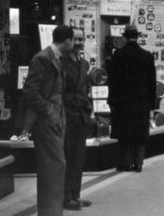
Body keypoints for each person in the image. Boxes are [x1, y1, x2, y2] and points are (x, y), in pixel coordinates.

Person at [22, 24, 74, 215]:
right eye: (74, 40)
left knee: (54, 167)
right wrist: (49, 111)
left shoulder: (57, 58)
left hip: (56, 120)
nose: (75, 44)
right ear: (67, 41)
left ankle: (52, 211)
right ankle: (50, 212)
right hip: (48, 121)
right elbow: (30, 90)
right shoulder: (42, 58)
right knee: (54, 166)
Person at [107, 25, 157, 172]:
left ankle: (126, 162)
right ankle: (139, 163)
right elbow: (152, 82)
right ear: (138, 36)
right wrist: (152, 104)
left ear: (124, 37)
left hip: (123, 103)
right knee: (140, 134)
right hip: (141, 102)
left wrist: (112, 101)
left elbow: (113, 81)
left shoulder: (118, 55)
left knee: (125, 134)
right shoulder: (147, 56)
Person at [62, 28, 93, 210]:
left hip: (81, 116)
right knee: (68, 157)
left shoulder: (84, 64)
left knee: (79, 158)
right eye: (75, 39)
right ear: (68, 41)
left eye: (82, 39)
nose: (79, 42)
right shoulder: (61, 63)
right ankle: (66, 198)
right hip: (67, 114)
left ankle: (76, 195)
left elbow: (85, 89)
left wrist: (88, 108)